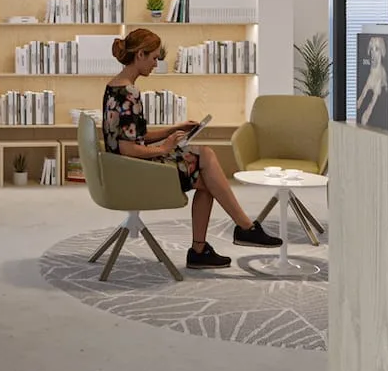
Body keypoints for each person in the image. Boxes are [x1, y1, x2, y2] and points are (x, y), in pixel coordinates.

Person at [103, 29, 280, 269]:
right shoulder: (129, 93)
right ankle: (244, 229)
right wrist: (166, 147)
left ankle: (205, 248)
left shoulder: (115, 86)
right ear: (140, 55)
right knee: (205, 158)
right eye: (154, 58)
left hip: (125, 168)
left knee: (207, 174)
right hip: (133, 172)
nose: (156, 64)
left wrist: (174, 129)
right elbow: (128, 150)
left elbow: (136, 137)